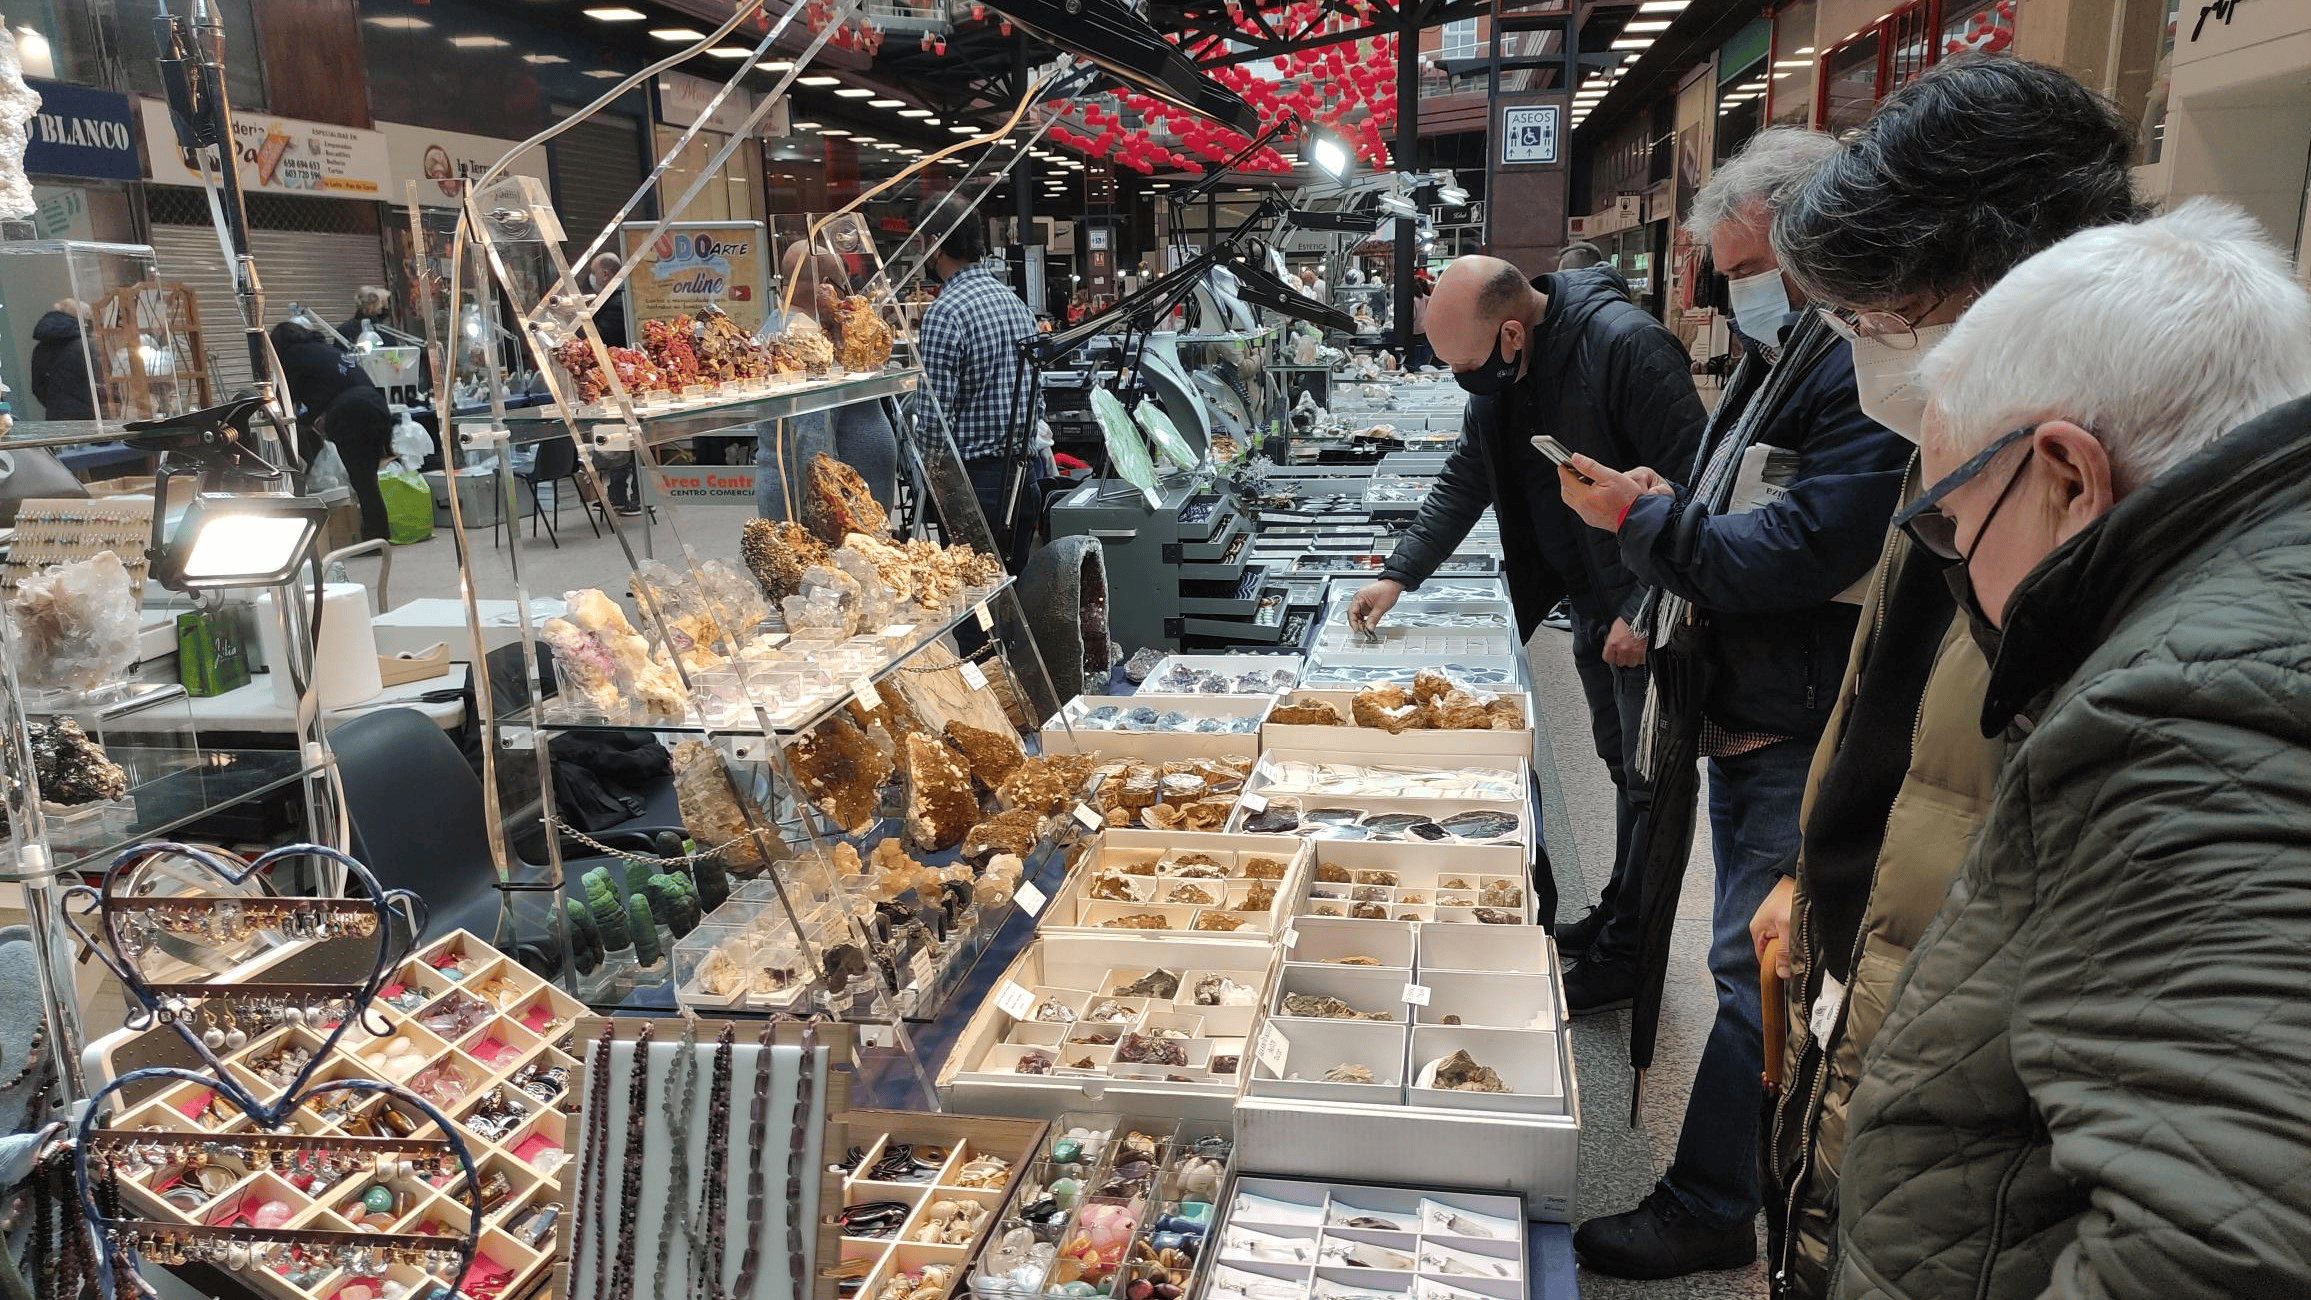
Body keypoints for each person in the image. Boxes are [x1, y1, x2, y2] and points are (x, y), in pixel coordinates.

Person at [1836, 197, 2311, 1300]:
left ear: (2065, 476)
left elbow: (2220, 1243)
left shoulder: (2198, 712)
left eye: (1954, 521)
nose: (1957, 565)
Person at [1751, 56, 2148, 1297]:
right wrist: (1813, 877)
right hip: (1863, 1048)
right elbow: (1901, 733)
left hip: (1973, 1191)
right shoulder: (1956, 460)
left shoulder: (2101, 527)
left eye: (1882, 321)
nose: (1869, 357)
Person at [1552, 128, 1910, 1280]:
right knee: (1744, 958)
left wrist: (1643, 526)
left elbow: (1802, 545)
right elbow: (1747, 498)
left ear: (1814, 243)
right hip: (1750, 698)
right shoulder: (1789, 352)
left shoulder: (1863, 371)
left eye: (1748, 266)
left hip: (1795, 715)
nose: (1733, 289)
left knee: (1761, 968)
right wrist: (1671, 497)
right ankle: (1728, 1187)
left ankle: (1716, 1199)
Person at [1346, 254, 1707, 924]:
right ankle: (1613, 918)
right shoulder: (1508, 374)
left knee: (1651, 782)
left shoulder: (1626, 348)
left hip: (1643, 608)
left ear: (1511, 334)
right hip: (1587, 594)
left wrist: (1644, 608)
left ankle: (1632, 953)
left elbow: (1697, 491)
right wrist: (1398, 573)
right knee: (1622, 772)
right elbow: (1466, 476)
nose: (1463, 381)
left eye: (1467, 364)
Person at [917, 209, 1043, 554]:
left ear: (934, 245)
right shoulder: (1018, 306)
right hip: (1024, 477)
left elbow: (934, 421)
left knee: (973, 600)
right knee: (1011, 595)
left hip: (972, 486)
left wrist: (930, 483)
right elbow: (1038, 399)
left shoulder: (944, 313)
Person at [758, 241, 899, 523]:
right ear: (825, 285)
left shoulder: (811, 328)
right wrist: (832, 505)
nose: (846, 295)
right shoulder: (799, 340)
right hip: (826, 507)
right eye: (841, 285)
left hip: (851, 501)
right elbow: (811, 442)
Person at [271, 319, 394, 541]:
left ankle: (376, 537)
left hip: (351, 411)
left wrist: (303, 420)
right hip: (376, 403)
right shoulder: (325, 349)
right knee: (368, 479)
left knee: (362, 480)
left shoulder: (291, 357)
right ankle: (377, 533)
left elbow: (286, 401)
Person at [27, 299, 97, 422]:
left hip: (57, 417)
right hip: (91, 417)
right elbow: (101, 381)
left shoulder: (41, 347)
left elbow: (38, 387)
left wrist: (58, 404)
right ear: (84, 320)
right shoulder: (87, 345)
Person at [1406, 273, 1433, 369]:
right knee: (1422, 357)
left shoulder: (1412, 300)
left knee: (1415, 359)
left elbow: (1412, 316)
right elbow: (1431, 299)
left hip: (1414, 331)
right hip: (1423, 331)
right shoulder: (1422, 297)